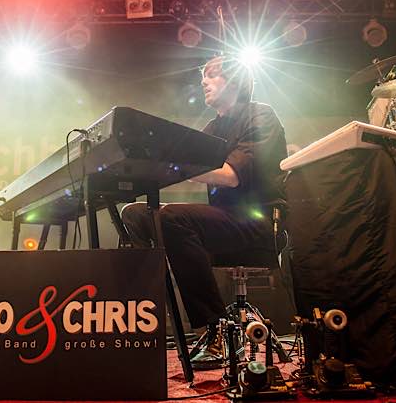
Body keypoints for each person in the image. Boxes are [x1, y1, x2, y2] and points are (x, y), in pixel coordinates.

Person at [121, 55, 288, 370]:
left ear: (234, 82)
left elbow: (231, 175)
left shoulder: (260, 116)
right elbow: (183, 166)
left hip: (257, 225)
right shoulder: (213, 128)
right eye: (203, 78)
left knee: (172, 218)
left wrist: (176, 165)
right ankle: (143, 320)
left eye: (212, 76)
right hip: (224, 224)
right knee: (135, 214)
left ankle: (216, 329)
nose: (204, 83)